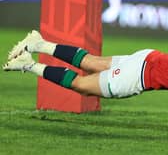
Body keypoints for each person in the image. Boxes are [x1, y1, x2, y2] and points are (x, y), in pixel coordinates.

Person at [3, 30, 168, 98]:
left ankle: (39, 44)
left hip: (148, 57)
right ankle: (29, 64)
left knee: (90, 62)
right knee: (82, 85)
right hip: (141, 74)